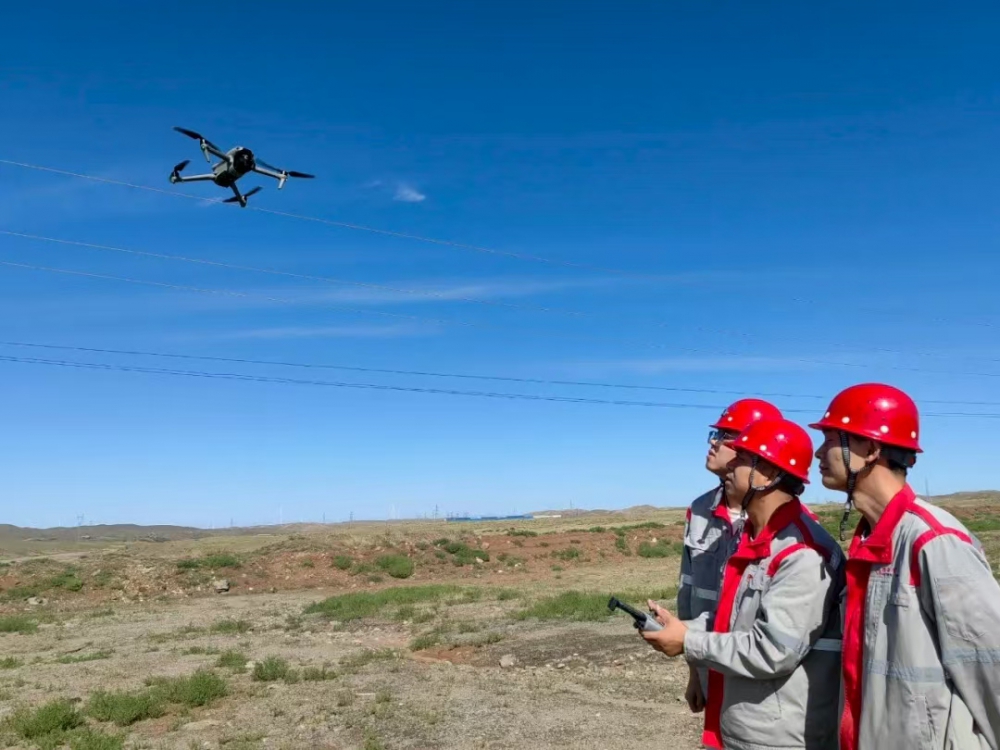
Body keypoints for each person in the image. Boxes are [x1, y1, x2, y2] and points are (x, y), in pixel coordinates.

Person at [811, 383, 1000, 750]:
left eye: (831, 439)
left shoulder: (934, 542)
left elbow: (990, 665)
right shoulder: (871, 539)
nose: (819, 452)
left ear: (870, 450)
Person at [646, 417, 843, 750]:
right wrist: (683, 627)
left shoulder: (803, 553)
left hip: (780, 739)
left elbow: (773, 651)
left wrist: (689, 642)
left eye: (740, 458)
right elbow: (736, 620)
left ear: (768, 473)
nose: (729, 465)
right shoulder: (752, 538)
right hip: (745, 729)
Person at [677, 398, 783, 715]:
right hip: (708, 664)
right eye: (716, 434)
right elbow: (688, 594)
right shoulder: (699, 510)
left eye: (725, 435)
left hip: (757, 682)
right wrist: (694, 673)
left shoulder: (783, 523)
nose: (713, 442)